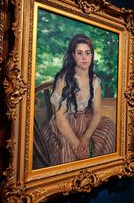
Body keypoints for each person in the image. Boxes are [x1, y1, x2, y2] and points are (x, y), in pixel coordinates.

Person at [40, 34, 116, 166]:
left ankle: (99, 170)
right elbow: (60, 118)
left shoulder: (95, 81)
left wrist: (86, 137)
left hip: (86, 121)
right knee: (65, 146)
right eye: (79, 53)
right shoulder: (64, 79)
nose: (84, 57)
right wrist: (77, 145)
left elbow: (97, 112)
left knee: (109, 127)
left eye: (87, 53)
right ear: (73, 56)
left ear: (92, 56)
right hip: (64, 123)